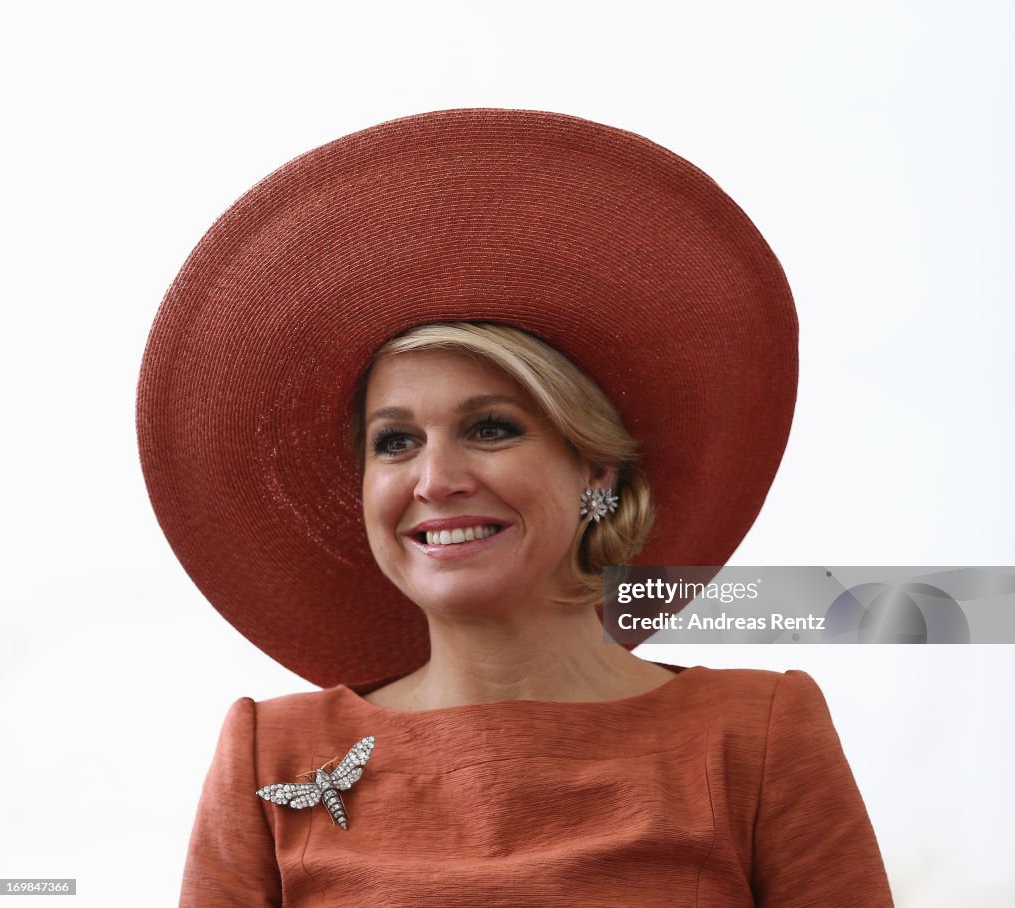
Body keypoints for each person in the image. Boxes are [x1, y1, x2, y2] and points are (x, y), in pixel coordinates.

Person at [137, 109, 893, 906]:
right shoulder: (271, 756)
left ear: (593, 468)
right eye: (394, 442)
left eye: (490, 428)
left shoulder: (760, 734)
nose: (435, 478)